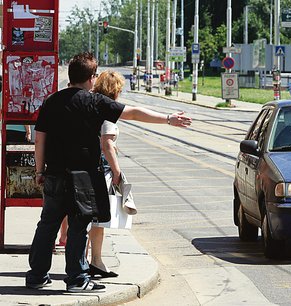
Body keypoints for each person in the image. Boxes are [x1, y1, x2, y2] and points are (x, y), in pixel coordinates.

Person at [26, 52, 192, 293]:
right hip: (82, 177)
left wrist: (40, 170)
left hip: (54, 174)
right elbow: (133, 113)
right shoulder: (94, 102)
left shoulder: (51, 101)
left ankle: (37, 275)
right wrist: (168, 119)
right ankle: (76, 279)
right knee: (78, 227)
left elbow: (39, 140)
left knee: (47, 225)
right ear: (91, 78)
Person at [87, 70, 127, 278]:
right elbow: (107, 144)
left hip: (89, 165)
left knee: (89, 218)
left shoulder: (92, 105)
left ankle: (88, 261)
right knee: (98, 219)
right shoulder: (108, 111)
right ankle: (95, 262)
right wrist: (117, 171)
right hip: (102, 169)